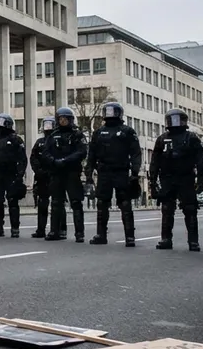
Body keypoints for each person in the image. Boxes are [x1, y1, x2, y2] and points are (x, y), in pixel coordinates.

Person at [85, 102, 141, 247]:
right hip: (104, 172)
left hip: (121, 171)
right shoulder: (98, 132)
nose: (110, 114)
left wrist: (135, 173)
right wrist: (89, 173)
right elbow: (92, 154)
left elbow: (135, 153)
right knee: (102, 203)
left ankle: (130, 236)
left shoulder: (127, 131)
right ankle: (101, 235)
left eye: (113, 111)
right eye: (108, 111)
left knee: (125, 203)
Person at [149, 109, 203, 252]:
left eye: (177, 119)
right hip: (167, 178)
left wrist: (201, 179)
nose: (174, 123)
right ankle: (166, 238)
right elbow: (155, 162)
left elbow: (200, 160)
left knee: (190, 209)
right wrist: (153, 182)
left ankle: (193, 241)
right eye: (171, 119)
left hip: (186, 177)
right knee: (167, 209)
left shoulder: (191, 138)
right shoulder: (162, 139)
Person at [42, 107, 88, 242]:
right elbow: (45, 152)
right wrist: (54, 161)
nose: (63, 121)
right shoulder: (52, 135)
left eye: (65, 119)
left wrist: (66, 161)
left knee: (76, 202)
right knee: (56, 203)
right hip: (56, 173)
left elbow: (82, 152)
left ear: (70, 120)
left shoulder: (77, 135)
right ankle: (54, 231)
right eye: (60, 119)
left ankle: (79, 233)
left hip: (72, 172)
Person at [0, 113, 28, 238]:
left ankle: (15, 228)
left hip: (11, 175)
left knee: (12, 201)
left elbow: (22, 160)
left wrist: (19, 176)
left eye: (1, 124)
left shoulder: (16, 140)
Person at [30, 117, 55, 238]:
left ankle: (60, 229)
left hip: (54, 175)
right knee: (42, 203)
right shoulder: (40, 142)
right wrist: (38, 170)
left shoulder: (57, 140)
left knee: (57, 203)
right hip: (41, 177)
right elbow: (33, 157)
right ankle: (41, 229)